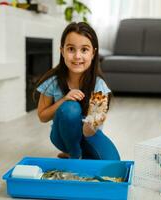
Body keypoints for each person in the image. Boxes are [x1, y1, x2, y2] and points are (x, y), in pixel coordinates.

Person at [35, 22, 120, 160]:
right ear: (62, 51)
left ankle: (81, 153)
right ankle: (74, 153)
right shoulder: (52, 82)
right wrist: (64, 99)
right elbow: (42, 116)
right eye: (71, 49)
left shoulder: (99, 86)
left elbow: (92, 127)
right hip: (62, 136)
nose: (77, 56)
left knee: (114, 162)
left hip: (89, 136)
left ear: (93, 53)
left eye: (84, 50)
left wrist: (92, 122)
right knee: (71, 108)